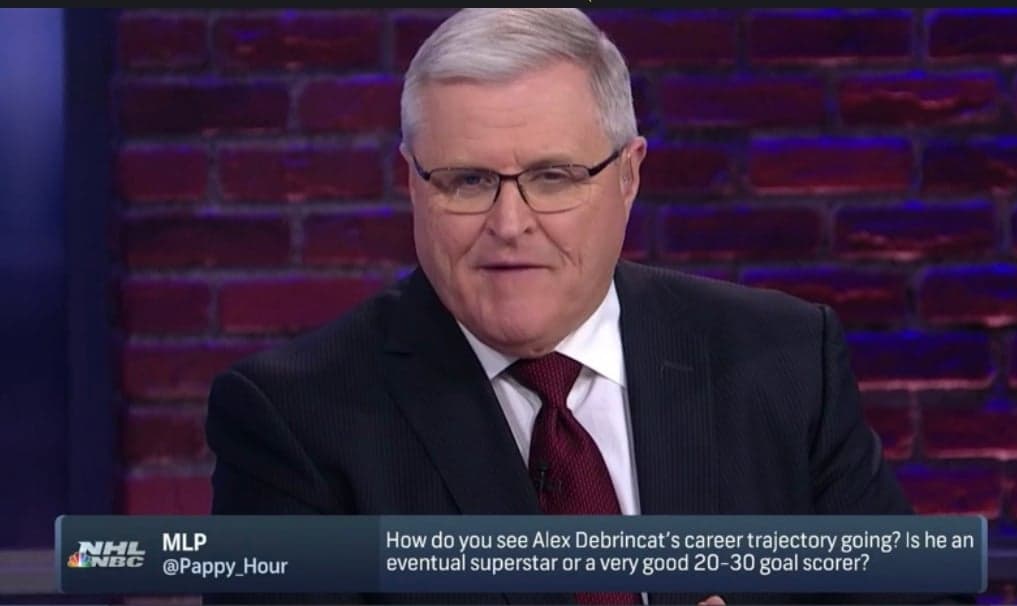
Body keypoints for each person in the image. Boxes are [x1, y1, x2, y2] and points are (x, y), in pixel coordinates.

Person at [206, 8, 970, 605]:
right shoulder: (296, 418)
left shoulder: (783, 361)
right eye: (468, 181)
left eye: (554, 177)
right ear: (413, 183)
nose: (511, 223)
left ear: (628, 176)